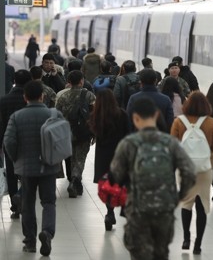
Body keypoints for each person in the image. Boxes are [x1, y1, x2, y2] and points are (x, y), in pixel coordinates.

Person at [110, 97, 196, 260]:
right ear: (157, 115)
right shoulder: (170, 143)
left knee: (139, 255)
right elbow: (189, 172)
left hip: (137, 209)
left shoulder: (128, 143)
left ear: (135, 118)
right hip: (164, 209)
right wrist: (178, 197)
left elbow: (115, 174)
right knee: (160, 253)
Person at [3, 81, 60, 256]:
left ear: (25, 97)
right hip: (49, 167)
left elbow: (9, 142)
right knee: (49, 202)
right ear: (42, 96)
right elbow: (64, 138)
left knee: (27, 204)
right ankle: (47, 233)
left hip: (26, 168)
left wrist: (16, 160)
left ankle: (30, 242)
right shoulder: (53, 114)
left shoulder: (17, 116)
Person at [170, 92, 213, 255]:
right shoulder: (211, 122)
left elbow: (172, 144)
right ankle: (198, 244)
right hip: (205, 168)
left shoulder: (179, 121)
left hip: (185, 168)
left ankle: (186, 237)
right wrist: (211, 152)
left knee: (187, 203)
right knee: (202, 205)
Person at [88, 89, 129, 231]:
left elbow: (93, 132)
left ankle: (110, 212)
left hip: (103, 155)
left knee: (108, 184)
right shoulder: (122, 114)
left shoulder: (96, 116)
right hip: (120, 153)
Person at [56, 70, 96, 198]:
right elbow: (94, 114)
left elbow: (57, 115)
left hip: (66, 132)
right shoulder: (89, 95)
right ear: (81, 81)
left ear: (69, 82)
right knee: (80, 158)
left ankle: (74, 180)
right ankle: (74, 181)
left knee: (71, 156)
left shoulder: (62, 96)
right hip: (83, 131)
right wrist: (94, 132)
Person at [0, 69, 31, 218]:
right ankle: (22, 197)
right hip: (28, 142)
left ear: (14, 80)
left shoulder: (4, 100)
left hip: (9, 142)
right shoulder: (30, 100)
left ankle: (14, 206)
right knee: (27, 173)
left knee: (12, 174)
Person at [127, 69, 174, 133]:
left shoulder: (133, 98)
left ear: (140, 81)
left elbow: (129, 120)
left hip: (139, 137)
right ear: (156, 81)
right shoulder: (166, 99)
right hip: (160, 138)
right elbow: (170, 122)